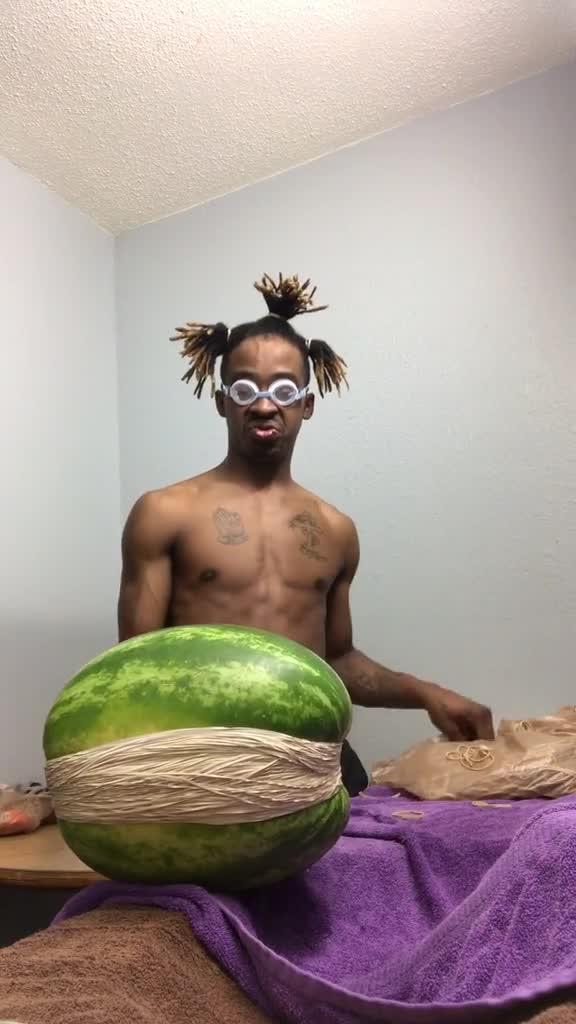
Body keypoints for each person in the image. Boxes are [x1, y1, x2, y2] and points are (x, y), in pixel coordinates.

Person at [118, 273, 494, 795]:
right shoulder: (164, 512)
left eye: (284, 389)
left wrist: (428, 694)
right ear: (221, 402)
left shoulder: (336, 531)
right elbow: (134, 667)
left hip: (317, 759)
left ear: (307, 404)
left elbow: (338, 660)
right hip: (208, 766)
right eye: (245, 388)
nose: (265, 404)